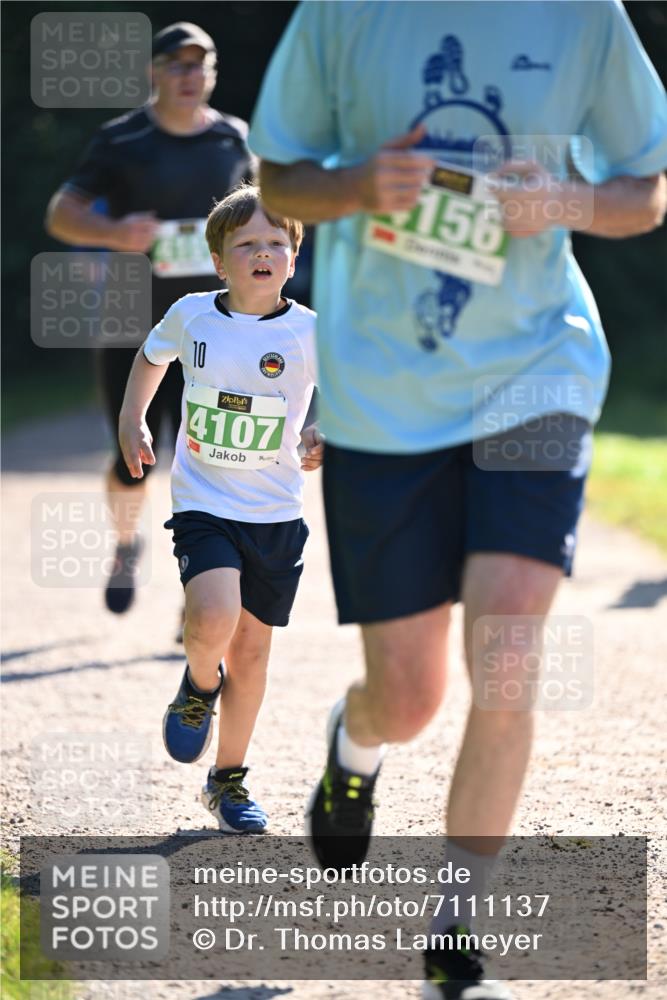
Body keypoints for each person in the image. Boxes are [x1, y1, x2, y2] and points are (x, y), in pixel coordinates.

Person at [248, 1, 667, 995]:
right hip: (382, 392)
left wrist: (564, 200)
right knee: (411, 694)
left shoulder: (583, 18)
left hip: (537, 368)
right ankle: (355, 742)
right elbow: (277, 172)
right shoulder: (343, 15)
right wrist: (357, 183)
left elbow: (645, 187)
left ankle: (454, 931)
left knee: (510, 647)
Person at [118, 184, 321, 832]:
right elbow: (151, 358)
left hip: (275, 510)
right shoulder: (191, 315)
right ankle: (200, 684)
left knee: (253, 653)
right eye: (246, 245)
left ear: (293, 254)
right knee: (212, 616)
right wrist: (133, 419)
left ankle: (226, 780)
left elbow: (341, 395)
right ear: (218, 260)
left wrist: (323, 431)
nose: (262, 254)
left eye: (275, 243)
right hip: (204, 500)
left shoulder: (310, 331)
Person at [45, 22, 253, 624]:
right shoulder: (122, 139)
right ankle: (126, 544)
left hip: (215, 324)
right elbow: (62, 213)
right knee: (131, 455)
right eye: (178, 64)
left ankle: (202, 595)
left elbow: (262, 213)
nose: (190, 76)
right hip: (131, 319)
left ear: (212, 73)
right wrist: (113, 233)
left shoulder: (234, 139)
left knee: (211, 456)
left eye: (201, 64)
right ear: (154, 72)